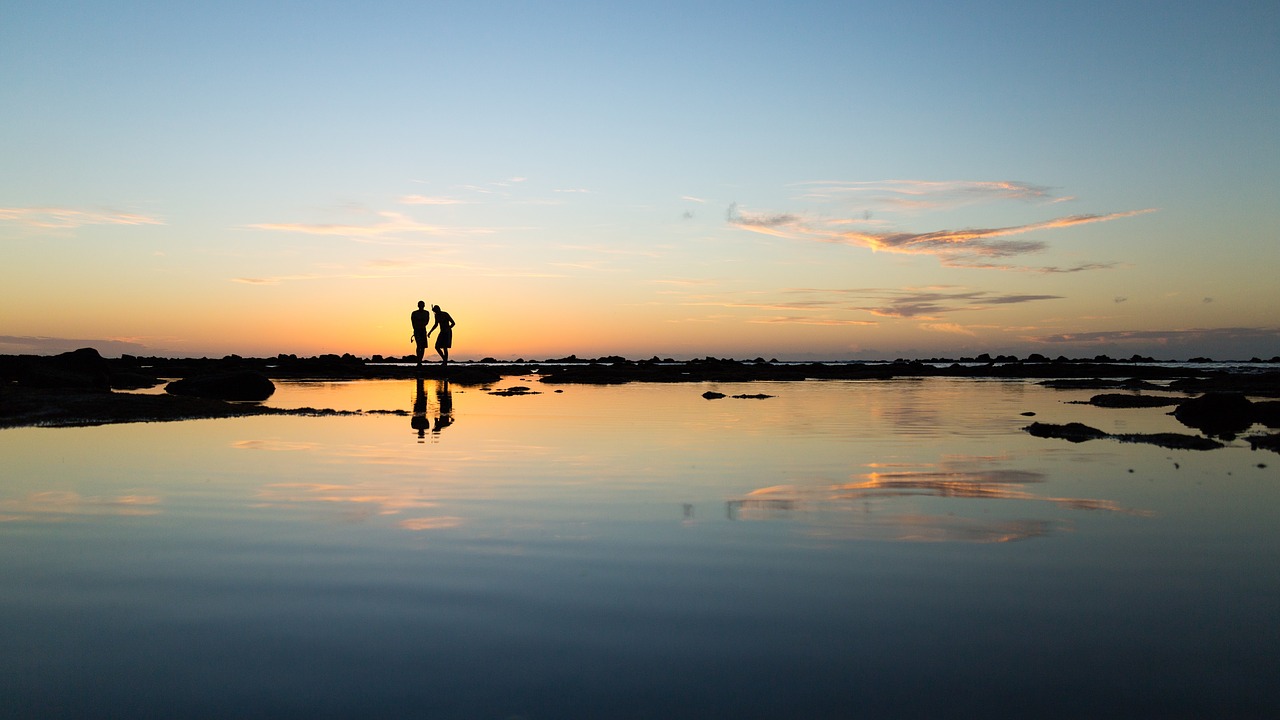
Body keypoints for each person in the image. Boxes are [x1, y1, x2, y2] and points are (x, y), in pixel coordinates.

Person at [409, 301, 431, 366]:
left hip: (423, 330)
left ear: (424, 305)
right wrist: (417, 326)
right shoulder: (414, 313)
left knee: (423, 346)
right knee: (418, 345)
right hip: (417, 330)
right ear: (418, 305)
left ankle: (420, 361)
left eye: (422, 305)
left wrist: (420, 322)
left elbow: (427, 321)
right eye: (420, 305)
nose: (421, 306)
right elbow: (413, 322)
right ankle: (418, 361)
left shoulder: (426, 313)